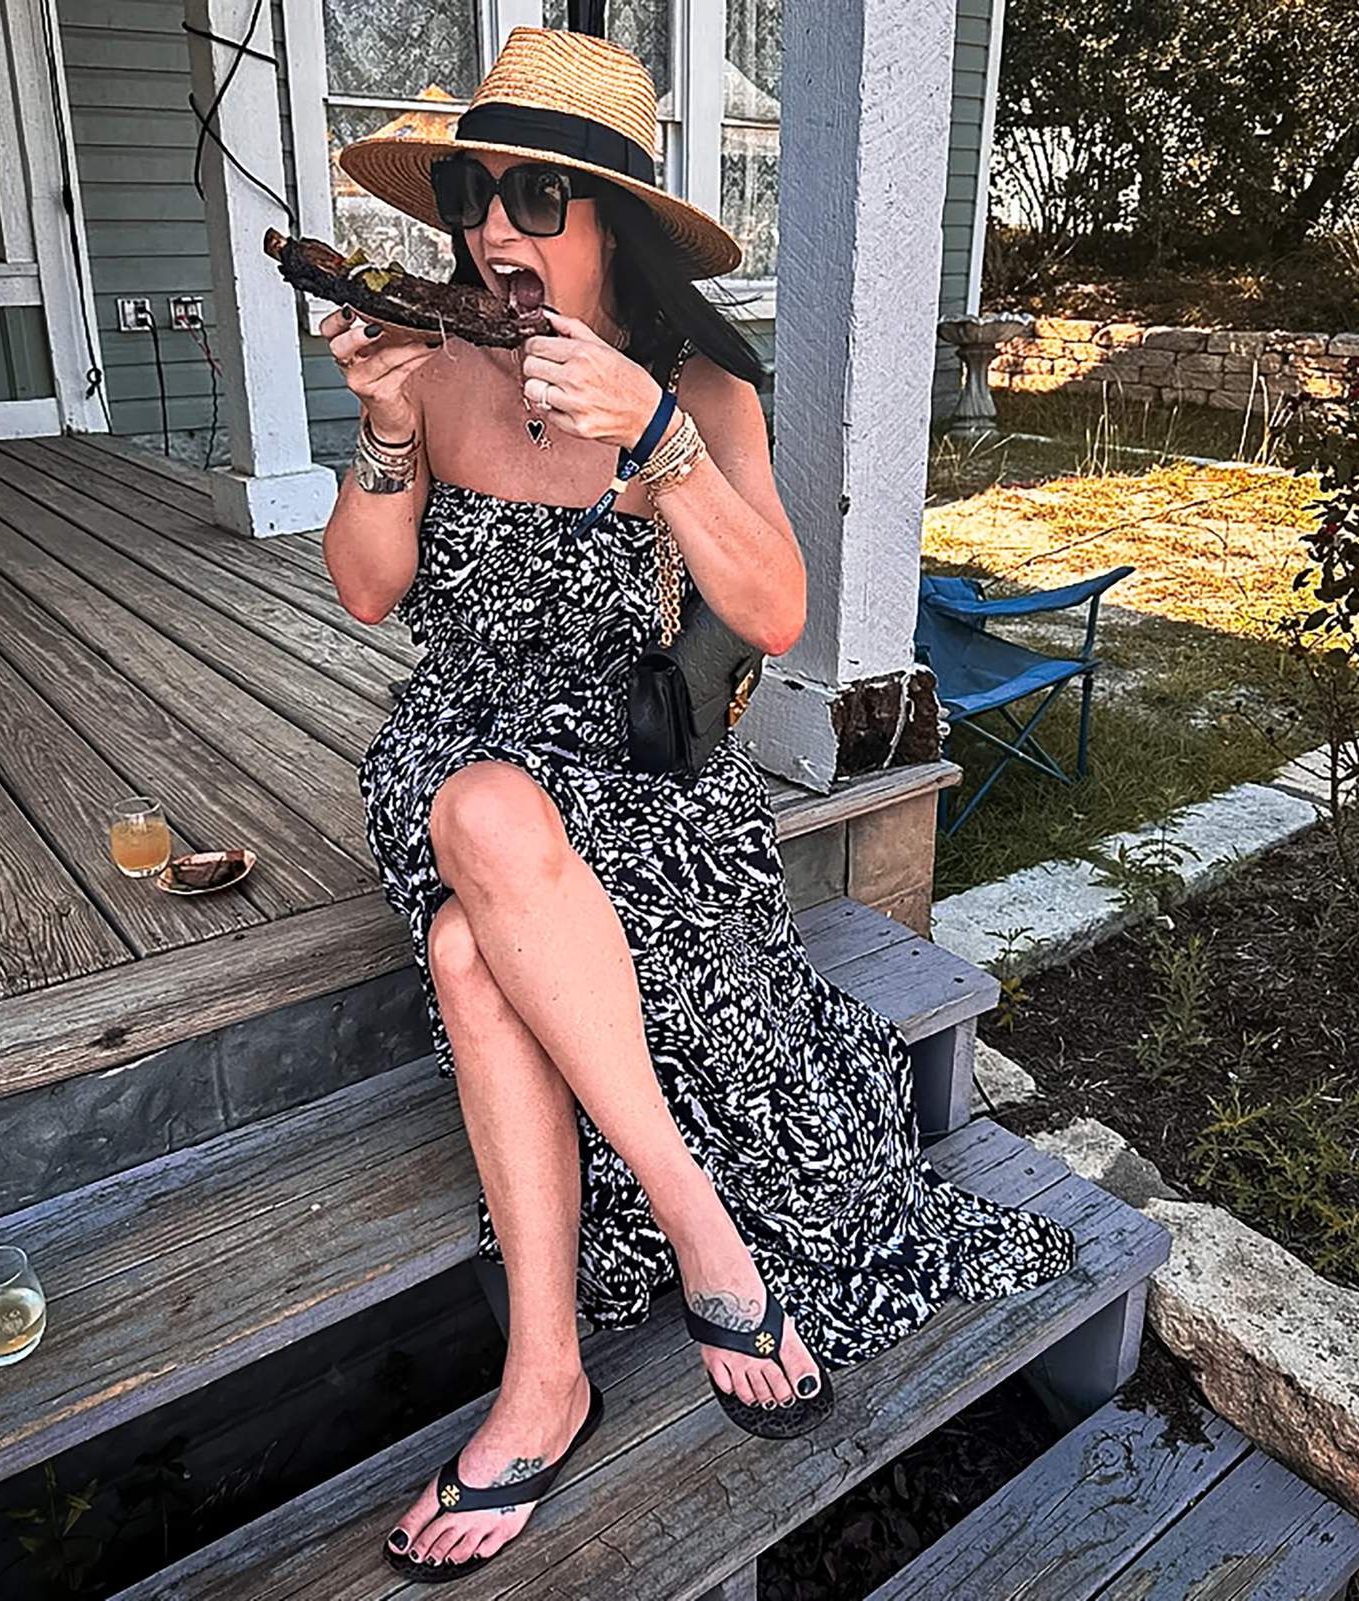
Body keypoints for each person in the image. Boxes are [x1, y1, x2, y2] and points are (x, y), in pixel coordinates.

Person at [318, 24, 1077, 1584]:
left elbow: (778, 610)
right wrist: (388, 431)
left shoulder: (697, 386)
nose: (492, 228)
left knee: (469, 950)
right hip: (462, 744)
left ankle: (546, 1373)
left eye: (536, 197)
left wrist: (657, 443)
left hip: (644, 773)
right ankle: (702, 1224)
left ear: (614, 223)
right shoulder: (435, 364)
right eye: (470, 192)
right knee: (482, 813)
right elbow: (370, 591)